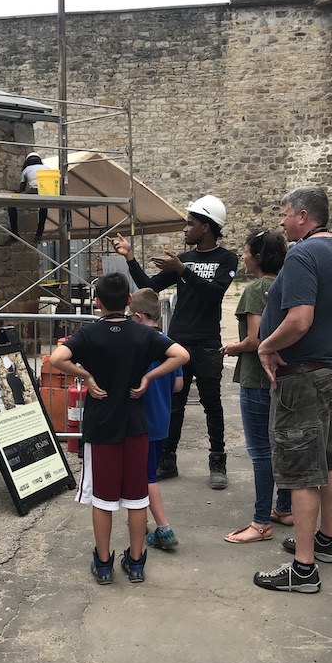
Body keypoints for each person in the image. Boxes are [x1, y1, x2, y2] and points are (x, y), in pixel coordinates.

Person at [253, 186, 332, 594]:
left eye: (284, 214)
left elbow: (299, 319)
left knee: (301, 473)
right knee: (331, 460)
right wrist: (330, 340)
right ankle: (325, 543)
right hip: (331, 372)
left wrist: (267, 345)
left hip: (302, 379)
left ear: (302, 215)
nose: (281, 222)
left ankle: (303, 570)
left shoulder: (302, 254)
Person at [49, 272, 189, 585]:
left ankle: (102, 563)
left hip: (102, 427)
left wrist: (86, 377)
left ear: (97, 302)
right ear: (128, 301)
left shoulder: (89, 334)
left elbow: (57, 357)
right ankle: (136, 562)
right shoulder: (142, 333)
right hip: (136, 425)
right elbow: (181, 355)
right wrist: (149, 378)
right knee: (137, 498)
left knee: (103, 499)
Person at [107, 195, 238, 489]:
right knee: (174, 403)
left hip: (206, 343)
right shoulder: (185, 260)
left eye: (190, 224)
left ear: (206, 227)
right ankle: (168, 459)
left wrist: (182, 270)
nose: (185, 229)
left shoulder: (226, 259)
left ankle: (218, 461)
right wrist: (129, 256)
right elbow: (149, 287)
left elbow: (214, 293)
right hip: (177, 342)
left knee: (211, 403)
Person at [221, 230, 293, 544]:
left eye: (247, 251)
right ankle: (285, 508)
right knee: (284, 447)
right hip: (287, 378)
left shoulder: (255, 289)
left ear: (259, 257)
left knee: (261, 452)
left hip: (257, 380)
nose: (244, 256)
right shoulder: (289, 284)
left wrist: (234, 348)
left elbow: (256, 339)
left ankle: (261, 521)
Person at [128, 288, 183, 550]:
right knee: (147, 473)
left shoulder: (138, 343)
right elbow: (179, 385)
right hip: (163, 419)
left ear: (138, 316)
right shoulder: (168, 343)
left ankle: (164, 528)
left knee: (146, 476)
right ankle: (149, 522)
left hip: (143, 420)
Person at [6, 152, 50, 246]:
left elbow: (22, 187)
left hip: (35, 190)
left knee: (11, 204)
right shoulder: (47, 168)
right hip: (47, 192)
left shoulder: (27, 169)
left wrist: (20, 193)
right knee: (44, 206)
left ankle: (14, 232)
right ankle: (39, 233)